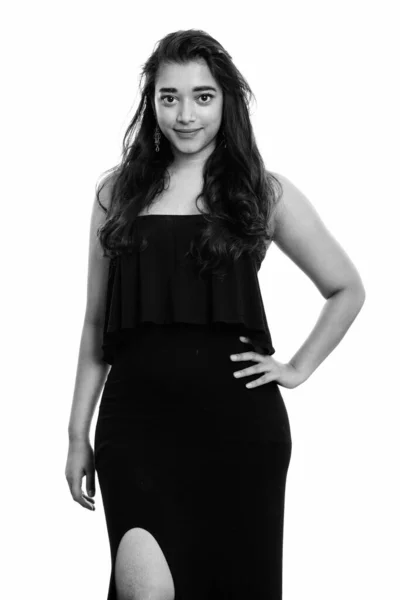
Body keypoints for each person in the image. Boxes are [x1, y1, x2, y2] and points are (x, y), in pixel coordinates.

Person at [65, 29, 366, 600]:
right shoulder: (116, 194)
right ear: (150, 103)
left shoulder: (262, 192)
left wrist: (296, 368)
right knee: (144, 591)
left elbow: (346, 288)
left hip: (239, 431)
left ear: (227, 102)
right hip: (137, 428)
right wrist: (77, 432)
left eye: (203, 96)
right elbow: (94, 322)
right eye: (169, 96)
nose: (184, 114)